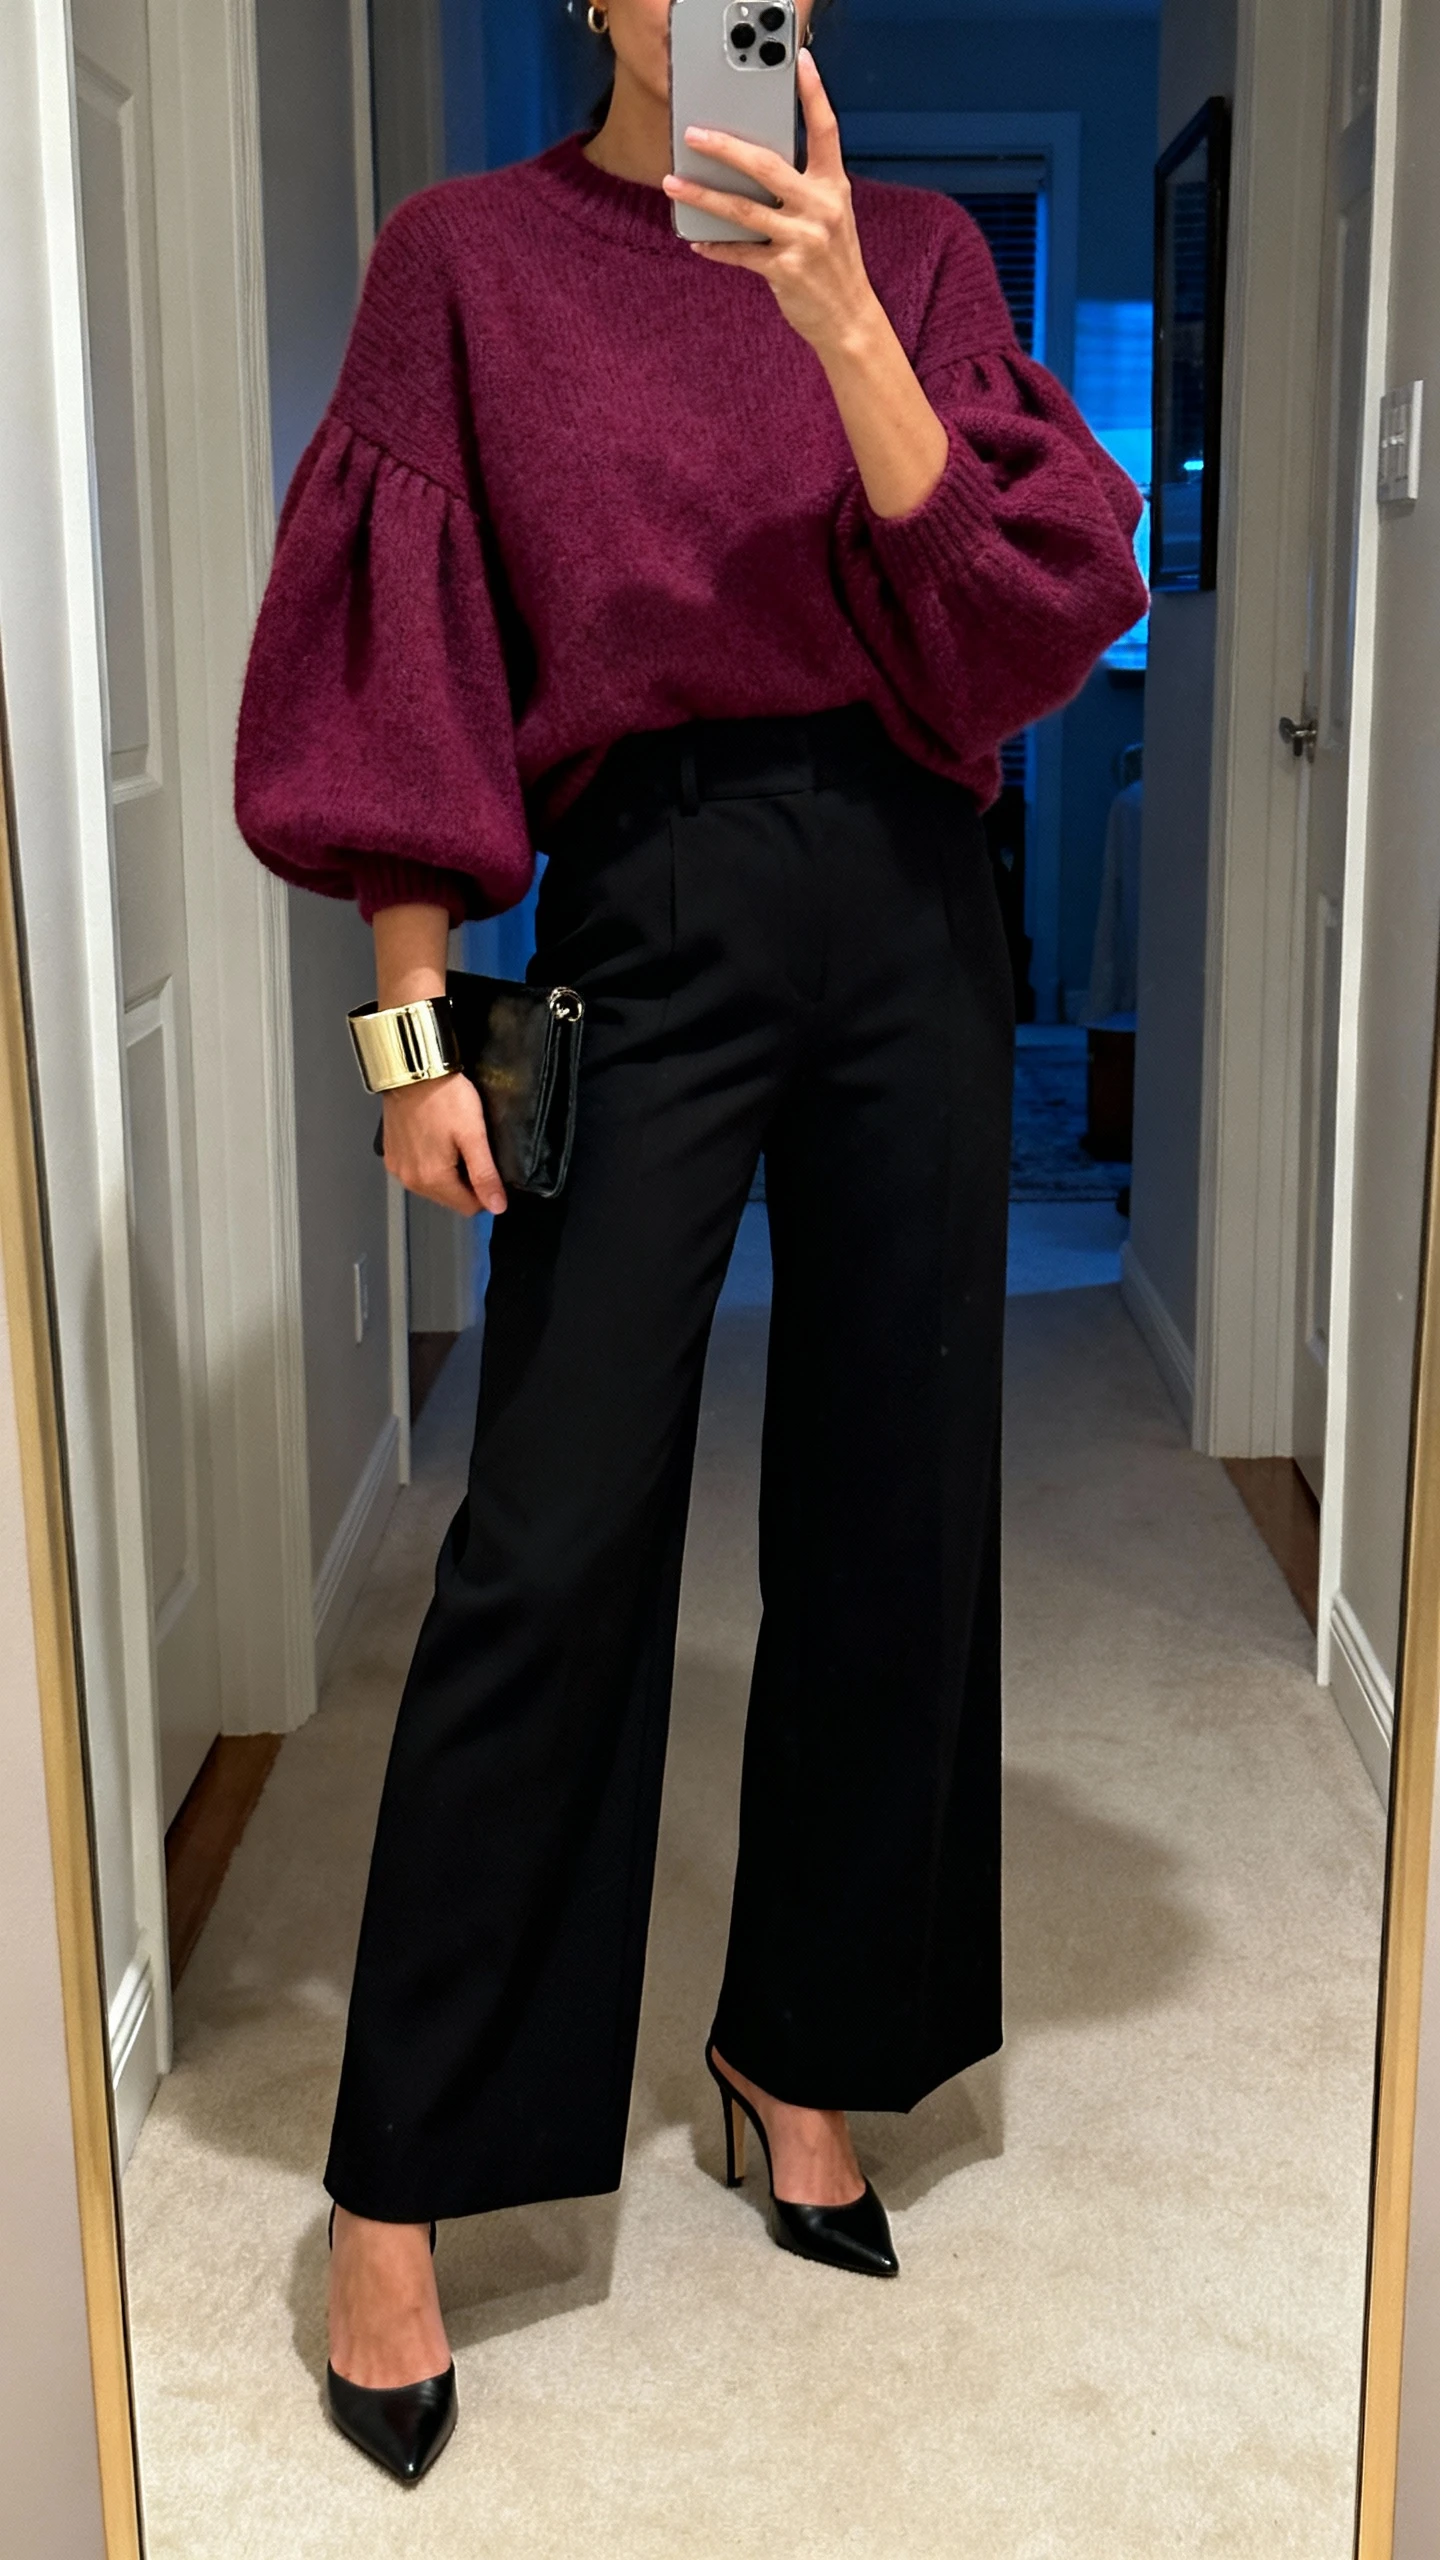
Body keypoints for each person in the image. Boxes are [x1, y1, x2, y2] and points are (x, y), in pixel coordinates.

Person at [235, 0, 1146, 2484]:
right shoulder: (469, 266)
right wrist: (412, 1041)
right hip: (643, 900)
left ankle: (801, 2049)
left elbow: (1021, 615)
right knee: (547, 1526)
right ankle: (394, 2180)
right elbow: (402, 668)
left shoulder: (927, 254)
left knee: (895, 1505)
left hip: (913, 905)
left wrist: (843, 311)